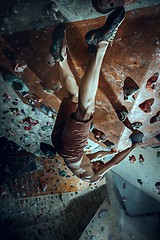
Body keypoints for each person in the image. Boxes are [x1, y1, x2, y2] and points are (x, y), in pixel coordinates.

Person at [49, 7, 138, 183]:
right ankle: (61, 58)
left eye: (98, 167)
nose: (99, 165)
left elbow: (113, 162)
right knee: (74, 95)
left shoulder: (91, 177)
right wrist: (109, 151)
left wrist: (134, 147)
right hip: (59, 144)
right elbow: (98, 156)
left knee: (86, 108)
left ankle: (101, 44)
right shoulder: (83, 166)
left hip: (71, 150)